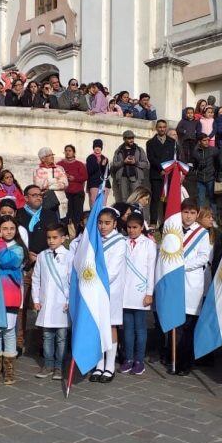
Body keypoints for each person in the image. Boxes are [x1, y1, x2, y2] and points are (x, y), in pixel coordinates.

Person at [169, 198, 211, 376]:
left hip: (192, 282)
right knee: (176, 325)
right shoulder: (173, 229)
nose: (188, 216)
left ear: (197, 214)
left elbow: (203, 257)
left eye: (192, 213)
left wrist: (182, 264)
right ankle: (174, 360)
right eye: (185, 212)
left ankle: (186, 362)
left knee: (188, 325)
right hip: (175, 282)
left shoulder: (202, 233)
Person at [16, 185, 60, 354]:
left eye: (40, 195)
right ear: (26, 197)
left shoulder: (49, 214)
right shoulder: (19, 215)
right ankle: (19, 343)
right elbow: (14, 238)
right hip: (24, 267)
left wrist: (41, 256)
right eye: (34, 195)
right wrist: (27, 255)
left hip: (44, 266)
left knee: (43, 304)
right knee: (21, 307)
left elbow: (55, 238)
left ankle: (45, 344)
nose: (38, 198)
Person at [0, 216, 28, 386]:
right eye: (5, 228)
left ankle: (9, 370)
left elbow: (5, 261)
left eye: (12, 228)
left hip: (10, 295)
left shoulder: (18, 249)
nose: (9, 231)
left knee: (9, 332)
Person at [89, 208, 127, 383]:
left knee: (110, 325)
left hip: (110, 290)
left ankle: (110, 365)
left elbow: (112, 270)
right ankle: (99, 363)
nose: (103, 226)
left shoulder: (120, 242)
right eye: (100, 222)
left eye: (107, 223)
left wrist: (94, 281)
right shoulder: (93, 239)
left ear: (114, 224)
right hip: (94, 289)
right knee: (97, 325)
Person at [32, 223, 71, 380]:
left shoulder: (69, 256)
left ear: (63, 238)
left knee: (61, 337)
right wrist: (35, 299)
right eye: (49, 237)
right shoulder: (42, 255)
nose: (51, 241)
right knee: (47, 336)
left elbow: (71, 281)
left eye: (55, 237)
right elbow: (36, 278)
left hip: (62, 304)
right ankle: (48, 365)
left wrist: (69, 300)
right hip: (46, 303)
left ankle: (59, 367)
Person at [120, 212, 156, 376]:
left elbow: (151, 270)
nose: (132, 230)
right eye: (129, 227)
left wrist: (149, 293)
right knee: (127, 328)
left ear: (142, 227)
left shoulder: (149, 244)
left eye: (135, 227)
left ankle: (139, 360)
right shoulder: (123, 242)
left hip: (141, 291)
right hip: (125, 292)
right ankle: (128, 358)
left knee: (140, 328)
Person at [146, 120, 178, 227]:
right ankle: (153, 222)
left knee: (167, 199)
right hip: (157, 174)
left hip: (169, 175)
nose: (162, 129)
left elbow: (174, 158)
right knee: (155, 199)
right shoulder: (150, 143)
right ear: (156, 128)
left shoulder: (172, 142)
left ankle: (166, 222)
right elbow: (151, 158)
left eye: (164, 127)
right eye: (160, 127)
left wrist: (168, 169)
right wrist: (161, 169)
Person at [111, 130, 150, 204]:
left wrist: (136, 162)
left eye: (132, 138)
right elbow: (114, 165)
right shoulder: (119, 151)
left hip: (135, 178)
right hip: (122, 178)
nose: (131, 140)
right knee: (124, 199)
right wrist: (123, 162)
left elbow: (146, 164)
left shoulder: (139, 150)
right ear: (124, 139)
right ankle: (125, 215)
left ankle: (135, 215)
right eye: (129, 138)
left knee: (137, 198)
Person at [57, 145, 88, 230]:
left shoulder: (79, 164)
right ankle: (67, 231)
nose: (68, 152)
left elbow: (84, 177)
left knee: (77, 213)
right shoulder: (60, 165)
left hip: (77, 193)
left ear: (74, 152)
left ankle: (78, 230)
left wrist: (74, 178)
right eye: (66, 150)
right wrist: (63, 176)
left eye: (70, 150)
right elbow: (56, 175)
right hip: (65, 193)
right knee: (66, 213)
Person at [33, 147, 69, 218]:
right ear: (43, 158)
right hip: (47, 201)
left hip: (61, 201)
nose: (52, 157)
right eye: (49, 155)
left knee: (62, 223)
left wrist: (48, 185)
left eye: (52, 154)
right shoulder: (37, 170)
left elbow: (65, 184)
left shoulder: (59, 168)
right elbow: (39, 185)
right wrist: (55, 180)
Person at [190, 133, 218, 216]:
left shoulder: (213, 150)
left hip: (211, 178)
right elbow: (193, 165)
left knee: (212, 199)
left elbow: (218, 162)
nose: (206, 142)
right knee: (200, 200)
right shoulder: (195, 152)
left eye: (207, 140)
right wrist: (196, 172)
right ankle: (200, 218)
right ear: (199, 142)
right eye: (204, 140)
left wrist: (216, 174)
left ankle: (213, 218)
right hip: (200, 179)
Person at [86, 139, 110, 207]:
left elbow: (108, 173)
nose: (97, 148)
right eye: (96, 146)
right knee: (94, 202)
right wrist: (98, 164)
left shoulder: (105, 158)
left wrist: (103, 166)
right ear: (93, 148)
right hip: (94, 184)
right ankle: (94, 217)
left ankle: (102, 217)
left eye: (99, 147)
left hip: (105, 184)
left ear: (101, 148)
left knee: (103, 203)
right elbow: (89, 171)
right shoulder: (90, 158)